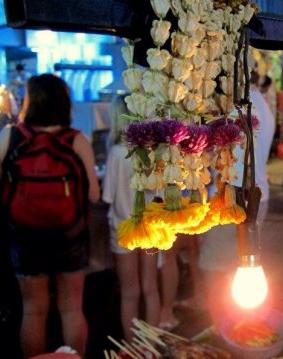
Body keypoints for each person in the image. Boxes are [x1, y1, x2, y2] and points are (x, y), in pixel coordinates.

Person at [0, 74, 100, 358]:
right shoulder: (76, 140)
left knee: (33, 309)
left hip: (24, 236)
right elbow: (93, 195)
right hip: (70, 235)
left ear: (30, 101)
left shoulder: (10, 136)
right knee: (71, 307)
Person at [198, 71, 275, 322]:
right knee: (241, 268)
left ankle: (224, 330)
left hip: (231, 200)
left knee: (218, 272)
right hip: (257, 198)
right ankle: (240, 328)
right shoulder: (261, 102)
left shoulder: (230, 108)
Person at [102, 94, 160, 340]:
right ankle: (154, 343)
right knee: (150, 287)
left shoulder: (116, 153)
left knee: (129, 292)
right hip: (150, 227)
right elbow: (156, 191)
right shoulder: (150, 151)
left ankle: (131, 347)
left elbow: (107, 196)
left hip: (123, 228)